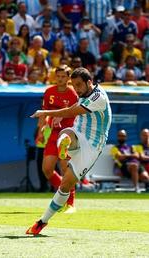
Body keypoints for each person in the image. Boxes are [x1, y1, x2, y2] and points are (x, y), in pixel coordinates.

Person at [28, 67, 112, 235]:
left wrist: (45, 113)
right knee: (66, 133)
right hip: (78, 131)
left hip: (93, 146)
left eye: (79, 85)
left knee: (66, 184)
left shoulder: (98, 97)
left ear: (89, 82)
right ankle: (65, 144)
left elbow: (70, 111)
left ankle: (43, 220)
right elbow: (73, 108)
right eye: (73, 85)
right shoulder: (83, 93)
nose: (76, 89)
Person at [38, 65, 78, 213]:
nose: (60, 79)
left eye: (63, 76)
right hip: (53, 133)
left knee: (65, 168)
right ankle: (63, 194)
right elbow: (44, 112)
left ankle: (70, 203)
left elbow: (77, 112)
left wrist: (64, 114)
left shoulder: (73, 94)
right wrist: (41, 130)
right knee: (47, 169)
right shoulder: (49, 92)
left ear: (68, 78)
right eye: (58, 76)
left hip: (68, 134)